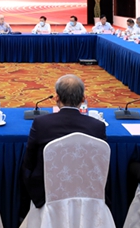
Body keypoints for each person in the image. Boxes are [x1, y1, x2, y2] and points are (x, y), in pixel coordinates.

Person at [22, 75, 106, 208]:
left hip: (48, 194)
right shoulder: (97, 127)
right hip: (86, 192)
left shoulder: (41, 123)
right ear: (83, 99)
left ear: (57, 98)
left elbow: (29, 162)